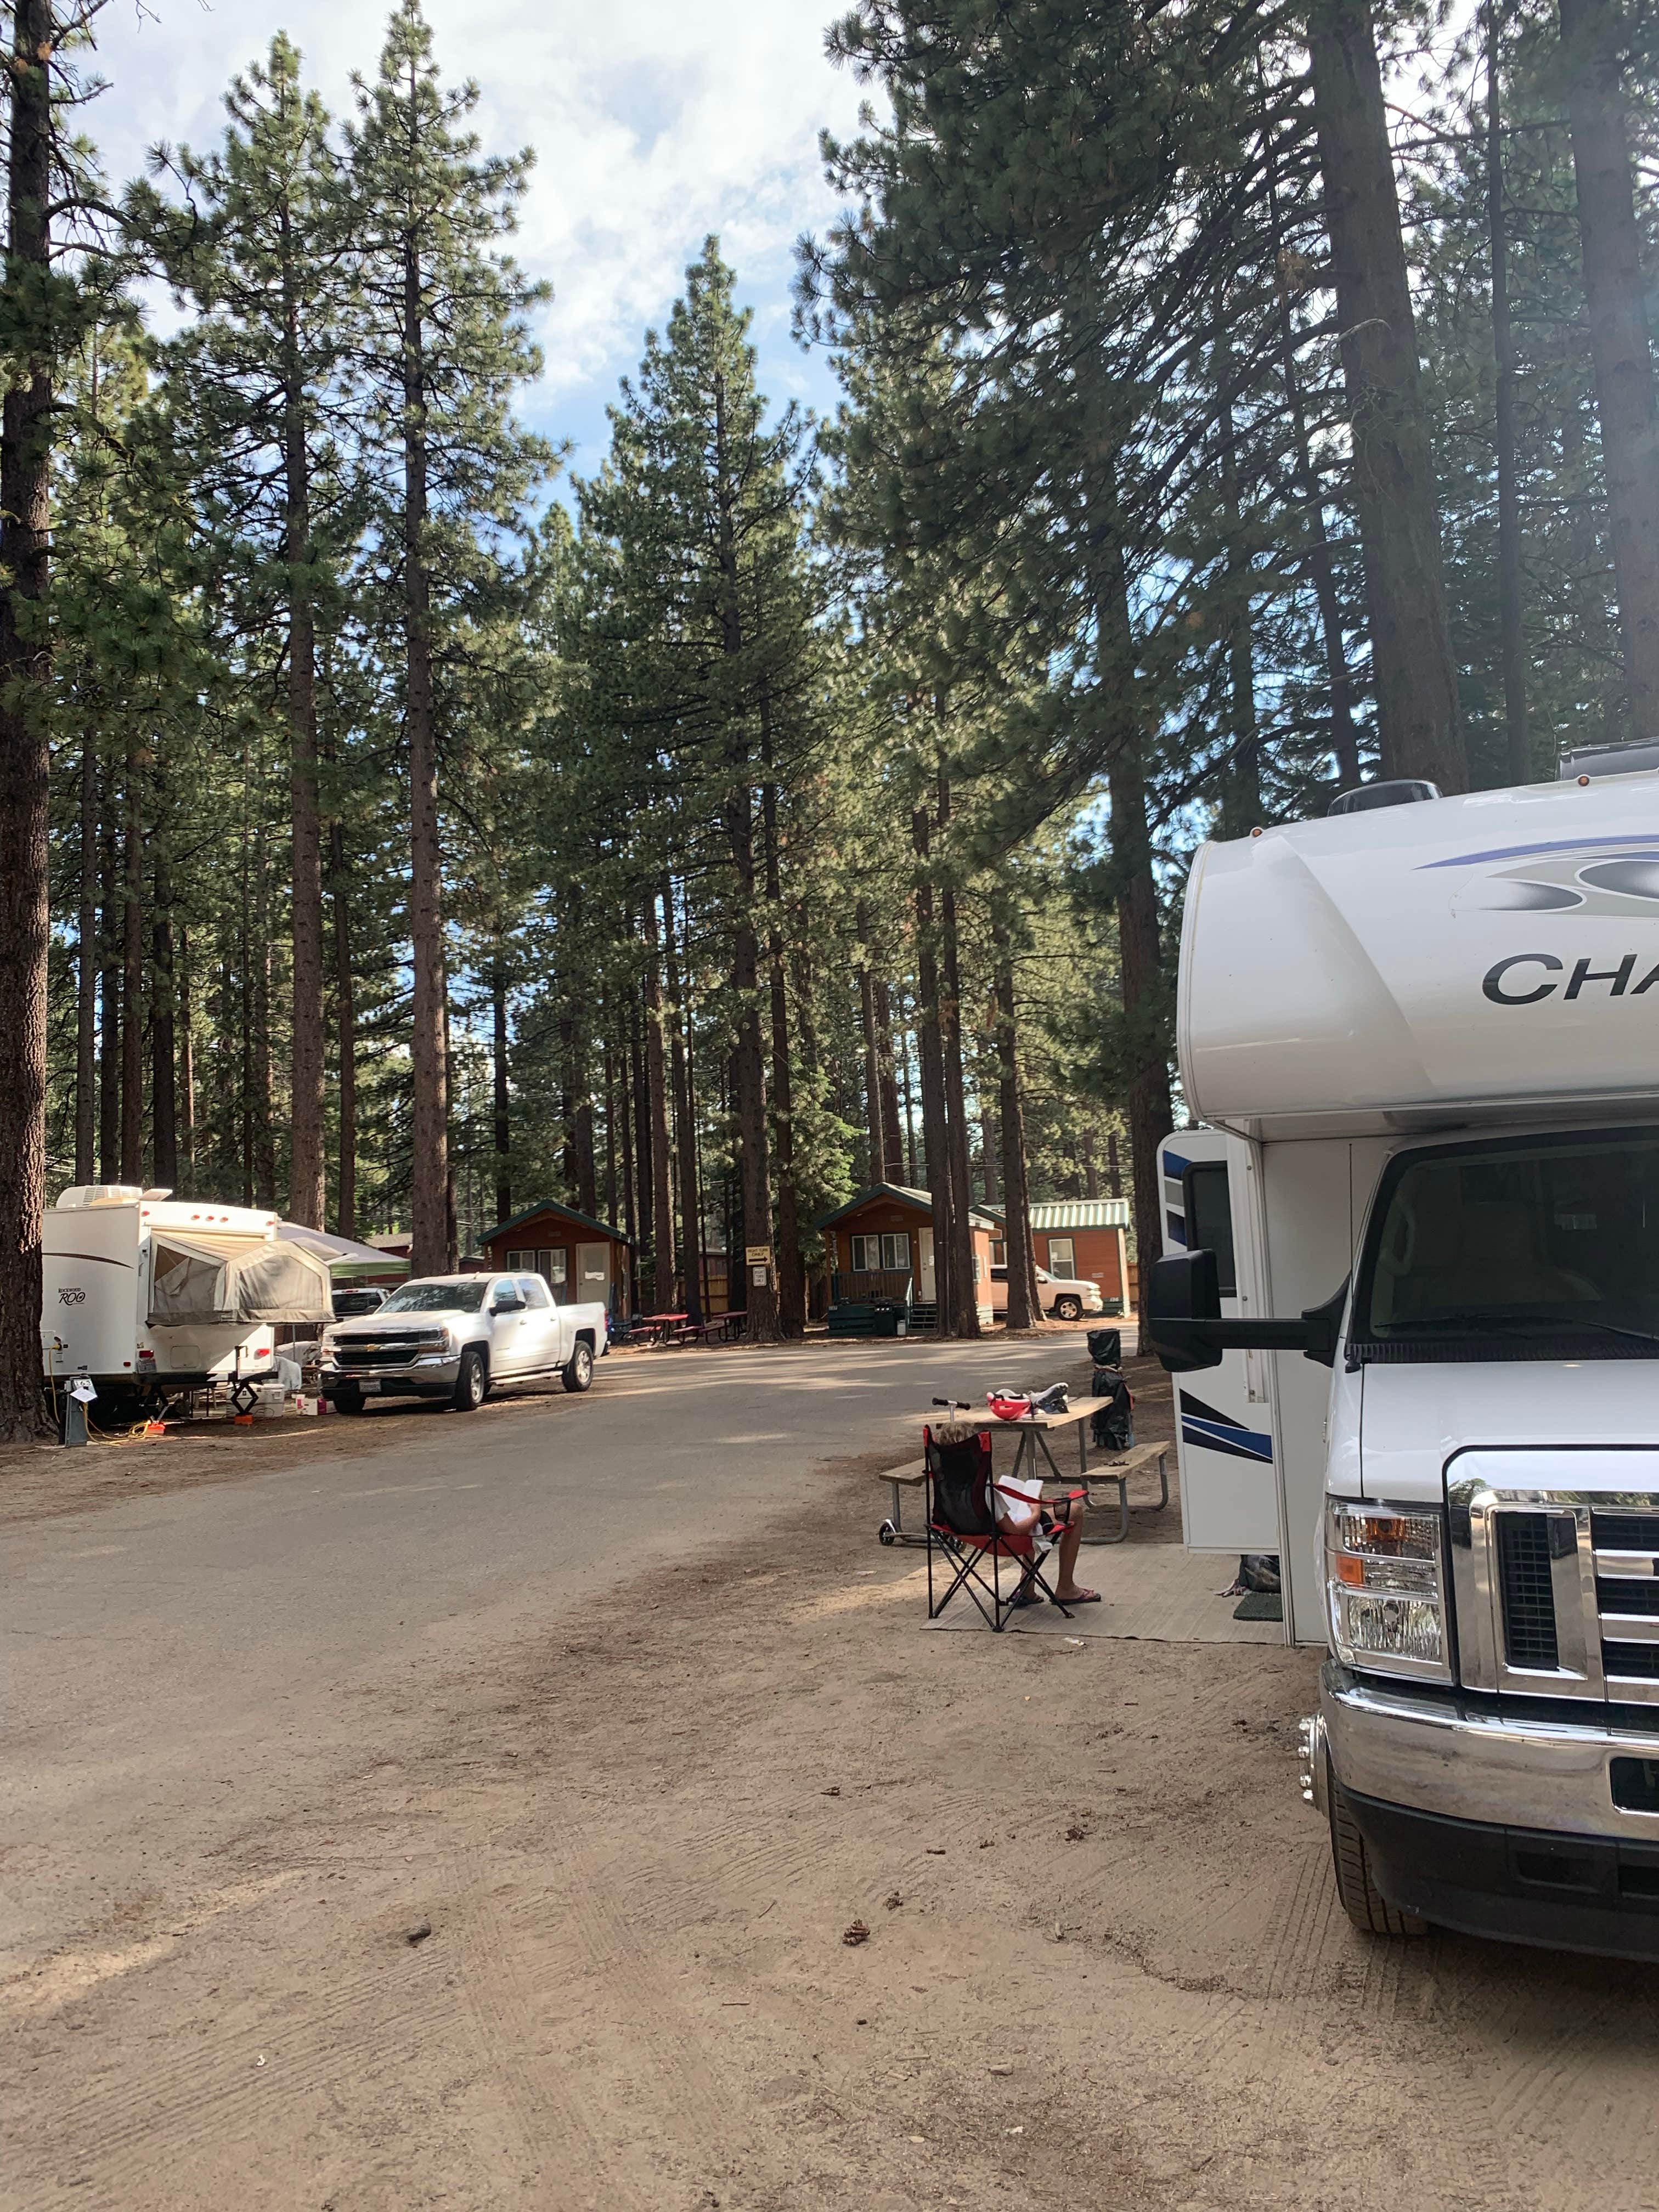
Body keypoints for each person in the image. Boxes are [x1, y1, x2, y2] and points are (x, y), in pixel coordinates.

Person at [995, 1468, 1099, 1606]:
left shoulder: (964, 1492)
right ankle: (1066, 1588)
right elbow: (1015, 1530)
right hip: (1012, 1534)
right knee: (1075, 1511)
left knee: (1029, 1499)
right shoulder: (985, 1491)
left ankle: (1027, 1586)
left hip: (982, 1535)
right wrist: (1036, 1511)